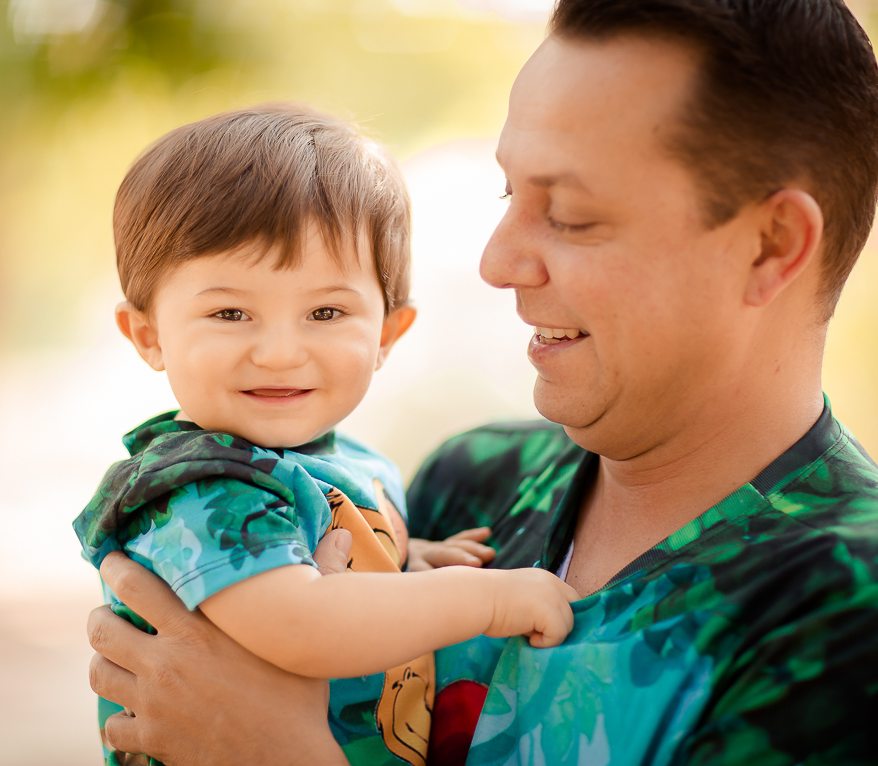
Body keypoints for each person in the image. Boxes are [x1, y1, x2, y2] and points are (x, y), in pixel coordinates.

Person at [85, 0, 878, 764]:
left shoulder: (871, 614)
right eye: (511, 195)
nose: (498, 260)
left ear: (771, 246)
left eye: (569, 214)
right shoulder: (478, 484)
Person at [74, 104, 580, 766]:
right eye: (231, 312)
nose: (281, 352)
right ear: (148, 334)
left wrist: (395, 558)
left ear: (386, 335)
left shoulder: (333, 461)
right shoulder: (202, 487)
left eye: (325, 311)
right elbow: (300, 623)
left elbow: (314, 566)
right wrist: (484, 599)